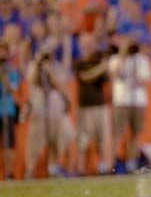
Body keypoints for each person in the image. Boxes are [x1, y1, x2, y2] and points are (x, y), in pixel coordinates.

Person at [25, 47, 74, 178]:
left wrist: (50, 72)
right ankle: (30, 171)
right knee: (34, 144)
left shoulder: (57, 68)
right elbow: (31, 81)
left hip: (57, 112)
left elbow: (61, 86)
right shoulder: (34, 69)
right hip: (40, 112)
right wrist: (37, 64)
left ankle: (54, 169)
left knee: (57, 142)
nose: (47, 61)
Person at [109, 38, 151, 174]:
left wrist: (135, 77)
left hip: (138, 101)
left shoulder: (142, 60)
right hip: (122, 100)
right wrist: (123, 54)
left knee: (135, 133)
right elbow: (113, 74)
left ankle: (131, 163)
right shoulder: (116, 59)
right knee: (117, 133)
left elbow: (146, 81)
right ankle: (114, 163)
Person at [74, 33, 113, 175]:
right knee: (83, 140)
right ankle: (80, 169)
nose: (88, 46)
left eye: (90, 43)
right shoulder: (79, 63)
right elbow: (86, 77)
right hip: (85, 108)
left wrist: (106, 67)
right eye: (85, 43)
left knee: (102, 139)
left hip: (100, 105)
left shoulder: (98, 61)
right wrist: (102, 67)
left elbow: (107, 81)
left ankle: (103, 167)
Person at [0, 41, 20, 179]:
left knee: (8, 144)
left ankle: (9, 173)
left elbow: (14, 88)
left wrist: (5, 79)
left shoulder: (11, 70)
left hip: (7, 110)